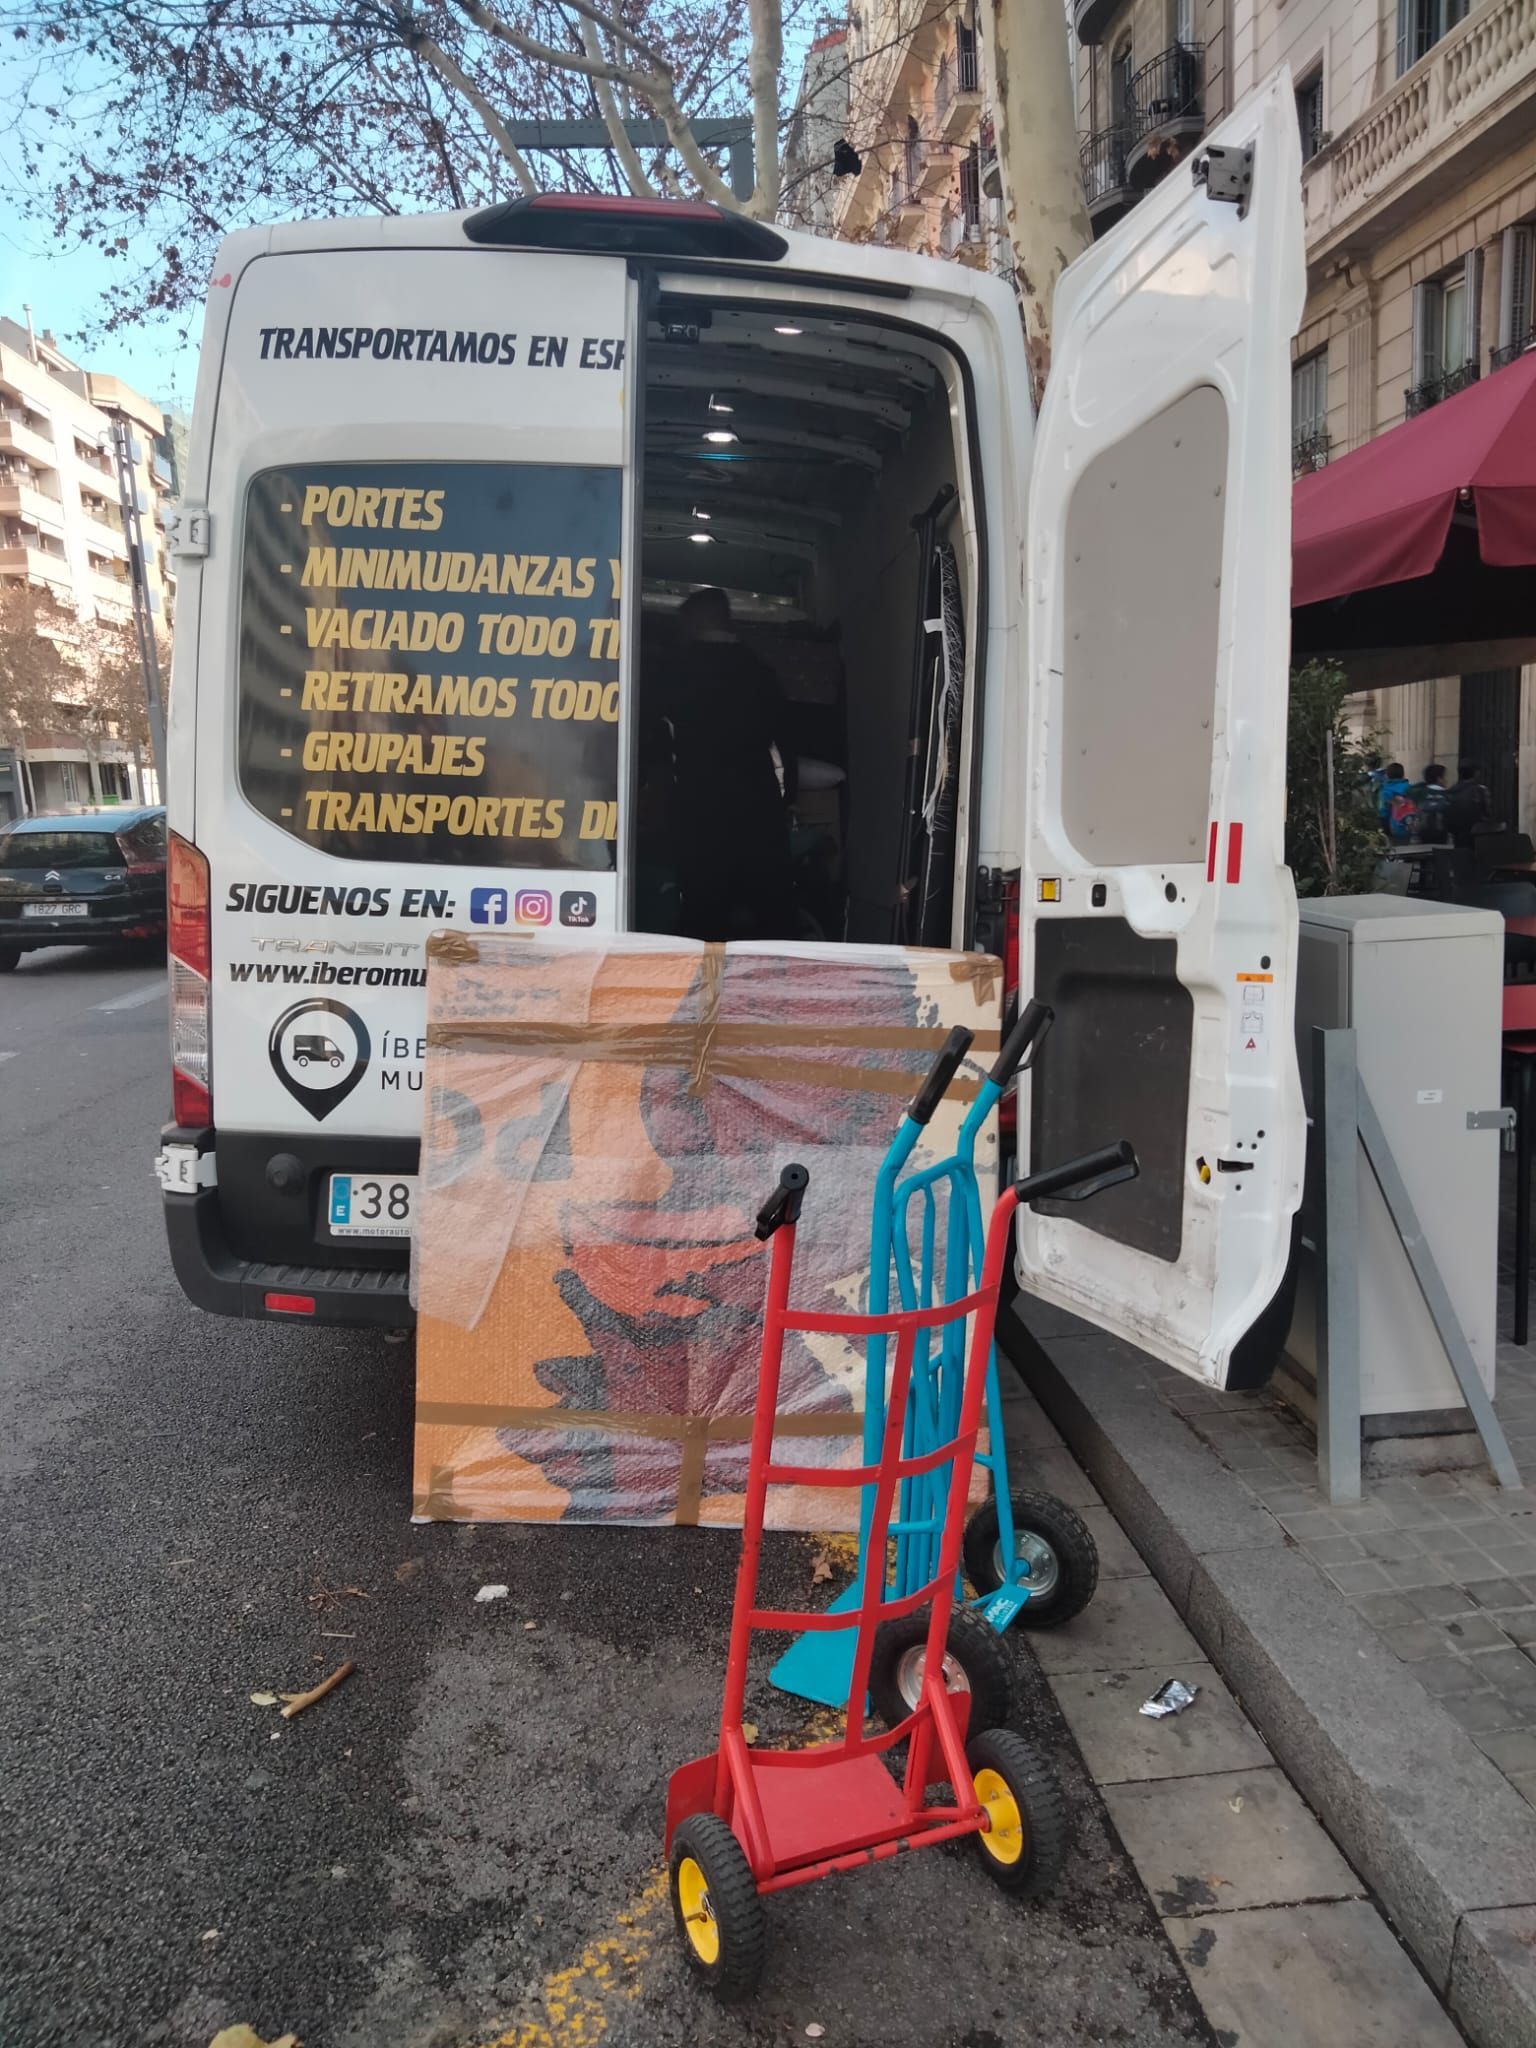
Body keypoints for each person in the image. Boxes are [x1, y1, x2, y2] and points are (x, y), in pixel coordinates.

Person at [662, 587, 799, 940]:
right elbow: (784, 735)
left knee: (704, 911)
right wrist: (788, 793)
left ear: (696, 620)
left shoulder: (678, 669)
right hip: (757, 801)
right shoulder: (759, 669)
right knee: (768, 910)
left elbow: (658, 735)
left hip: (699, 803)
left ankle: (705, 986)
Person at [1446, 760, 1494, 849]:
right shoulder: (1481, 790)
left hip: (1456, 836)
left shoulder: (1450, 791)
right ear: (1476, 773)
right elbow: (1488, 812)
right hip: (1477, 836)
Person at [1413, 763, 1451, 844]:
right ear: (1439, 779)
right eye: (1444, 777)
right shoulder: (1447, 795)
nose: (1446, 780)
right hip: (1441, 837)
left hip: (1422, 836)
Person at [1377, 761, 1414, 841]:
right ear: (1403, 774)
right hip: (1411, 827)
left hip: (1393, 828)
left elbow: (1383, 812)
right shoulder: (1411, 788)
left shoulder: (1385, 791)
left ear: (1387, 775)